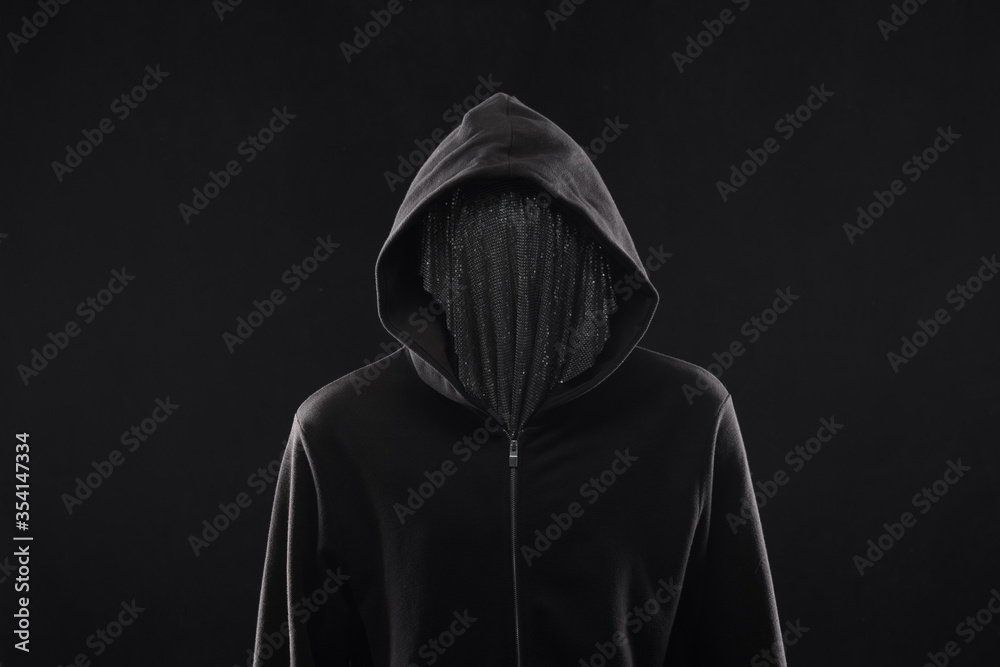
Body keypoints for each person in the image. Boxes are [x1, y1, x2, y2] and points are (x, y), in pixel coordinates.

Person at [251, 92, 786, 666]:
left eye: (542, 242)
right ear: (430, 260)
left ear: (594, 256)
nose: (511, 277)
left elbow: (740, 642)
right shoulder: (338, 430)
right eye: (475, 243)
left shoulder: (687, 414)